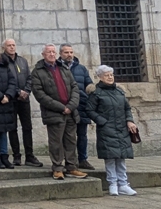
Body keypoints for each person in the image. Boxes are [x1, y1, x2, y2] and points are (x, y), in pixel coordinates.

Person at [31, 44, 88, 180]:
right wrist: (61, 107)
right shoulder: (38, 72)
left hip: (70, 111)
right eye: (49, 52)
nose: (51, 54)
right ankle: (57, 168)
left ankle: (72, 167)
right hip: (54, 112)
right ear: (43, 54)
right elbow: (40, 95)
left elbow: (75, 87)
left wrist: (71, 105)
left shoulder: (63, 68)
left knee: (71, 140)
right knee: (56, 142)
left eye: (53, 52)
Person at [82, 65, 139, 195]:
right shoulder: (96, 93)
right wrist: (102, 121)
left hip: (121, 128)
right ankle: (112, 184)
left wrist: (130, 121)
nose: (110, 77)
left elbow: (127, 108)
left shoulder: (119, 92)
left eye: (111, 75)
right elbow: (89, 110)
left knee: (121, 157)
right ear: (100, 77)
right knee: (110, 157)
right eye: (107, 75)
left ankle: (123, 184)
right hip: (106, 129)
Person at [0, 39, 41, 167]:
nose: (12, 47)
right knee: (12, 129)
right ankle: (16, 156)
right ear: (4, 48)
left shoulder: (22, 61)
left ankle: (30, 155)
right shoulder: (2, 61)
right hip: (11, 99)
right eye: (9, 45)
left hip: (24, 99)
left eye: (13, 45)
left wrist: (27, 91)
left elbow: (29, 78)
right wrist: (17, 92)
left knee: (27, 127)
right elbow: (4, 79)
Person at [60, 44, 94, 171]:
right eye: (66, 52)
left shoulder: (81, 69)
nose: (69, 55)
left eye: (71, 52)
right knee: (66, 135)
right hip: (65, 106)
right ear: (61, 54)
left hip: (81, 105)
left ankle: (83, 159)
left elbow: (88, 84)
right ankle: (69, 160)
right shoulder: (58, 68)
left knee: (82, 134)